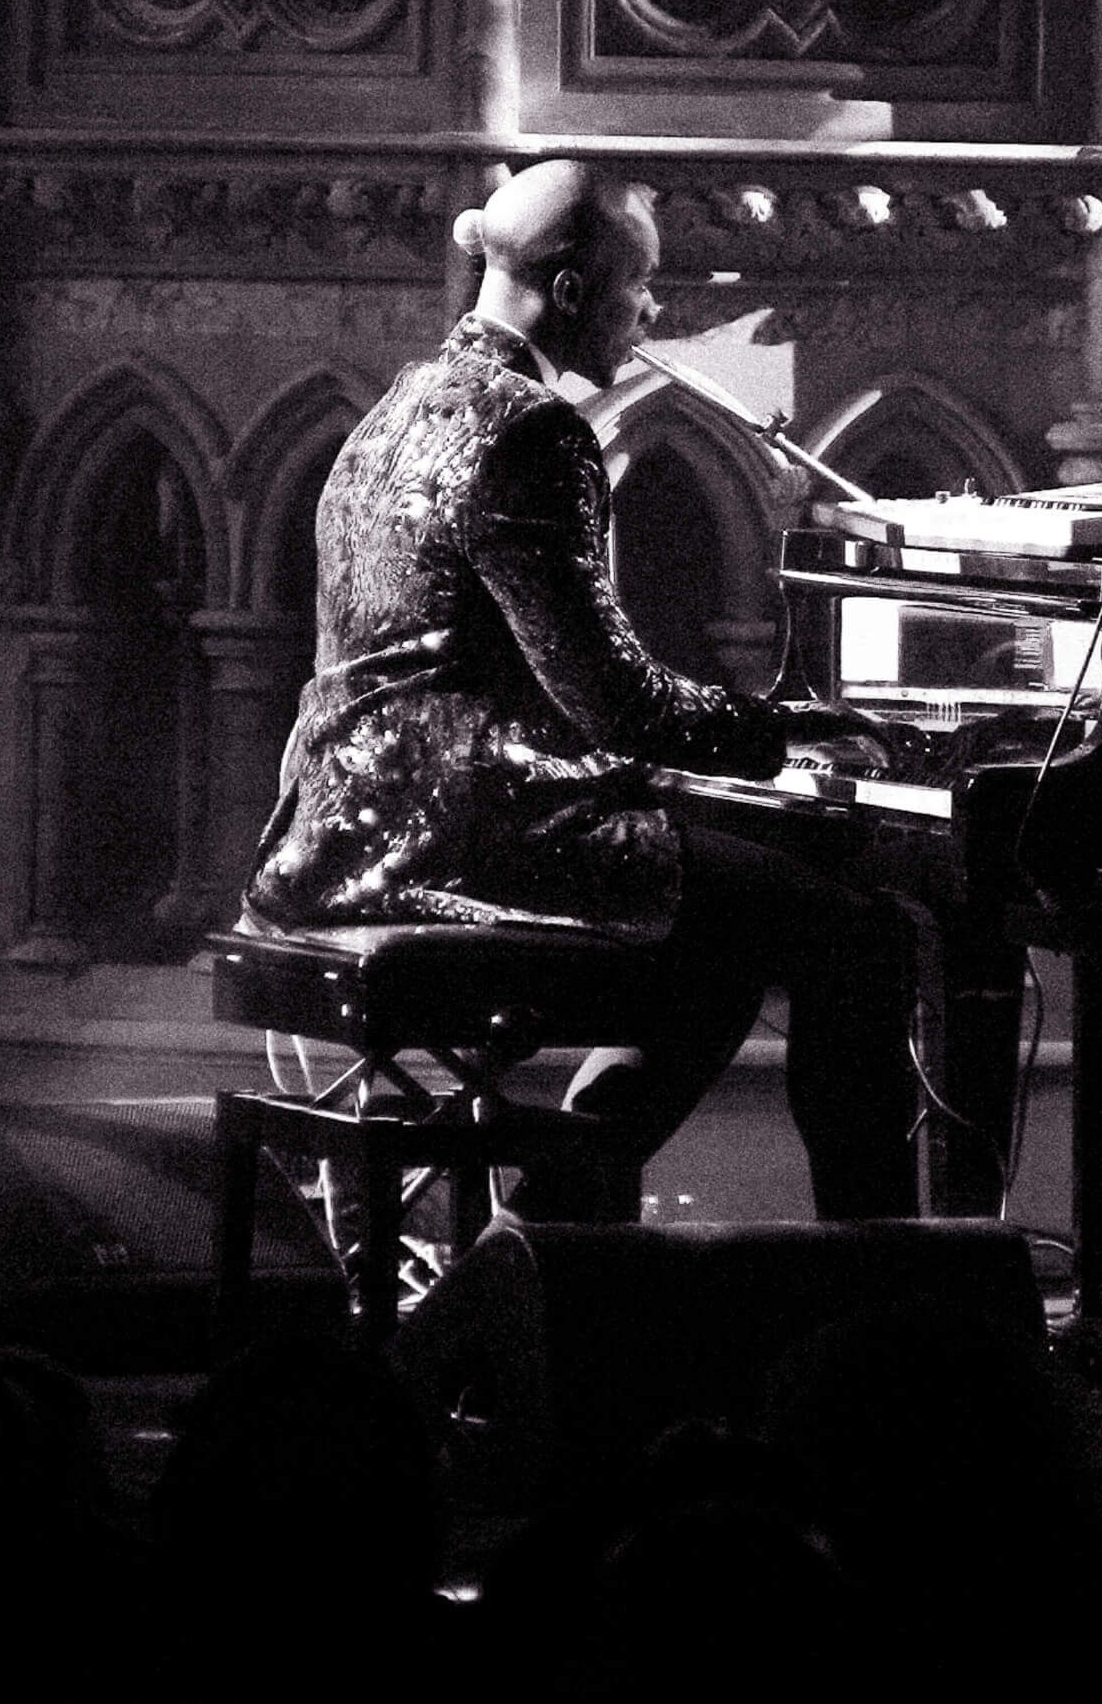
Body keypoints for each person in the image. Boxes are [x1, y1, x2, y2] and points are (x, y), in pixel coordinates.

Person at [245, 160, 917, 1219]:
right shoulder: (533, 431)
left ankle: (555, 1234)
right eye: (637, 287)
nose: (648, 312)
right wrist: (791, 733)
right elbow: (618, 705)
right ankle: (881, 1283)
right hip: (459, 835)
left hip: (338, 827)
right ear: (569, 291)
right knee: (856, 933)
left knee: (725, 939)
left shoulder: (394, 406)